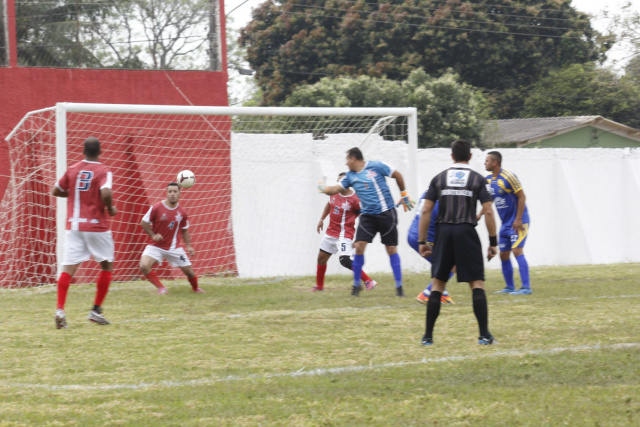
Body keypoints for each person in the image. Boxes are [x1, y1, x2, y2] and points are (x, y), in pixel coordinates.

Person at [418, 139, 498, 345]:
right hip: (466, 232)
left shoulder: (439, 178)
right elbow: (488, 210)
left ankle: (428, 337)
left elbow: (425, 210)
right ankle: (483, 335)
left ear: (452, 156)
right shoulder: (478, 179)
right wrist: (493, 242)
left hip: (444, 232)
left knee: (437, 283)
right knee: (476, 283)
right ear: (470, 156)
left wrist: (422, 241)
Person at [318, 147, 414, 297]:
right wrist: (323, 188)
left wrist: (404, 195)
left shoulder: (376, 166)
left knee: (391, 249)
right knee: (360, 247)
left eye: (347, 159)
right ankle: (357, 286)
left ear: (353, 158)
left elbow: (397, 175)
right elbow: (334, 189)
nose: (346, 163)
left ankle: (399, 287)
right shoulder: (349, 177)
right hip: (368, 216)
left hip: (386, 213)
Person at [52, 137, 117, 329]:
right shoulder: (104, 171)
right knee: (106, 265)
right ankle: (96, 310)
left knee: (68, 269)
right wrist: (111, 208)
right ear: (100, 151)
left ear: (83, 151)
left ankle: (60, 310)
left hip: (74, 225)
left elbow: (56, 190)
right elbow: (105, 193)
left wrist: (72, 195)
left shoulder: (72, 169)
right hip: (96, 226)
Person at [479, 151, 532, 295]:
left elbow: (522, 197)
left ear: (495, 162)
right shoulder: (488, 179)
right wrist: (478, 215)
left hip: (519, 221)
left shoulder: (509, 176)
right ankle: (509, 287)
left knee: (517, 251)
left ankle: (526, 288)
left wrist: (518, 219)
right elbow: (488, 202)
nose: (485, 163)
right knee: (503, 255)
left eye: (487, 161)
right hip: (505, 224)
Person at [313, 173, 377, 292]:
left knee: (345, 260)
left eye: (341, 182)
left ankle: (369, 281)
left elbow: (363, 219)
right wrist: (321, 219)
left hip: (344, 234)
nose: (339, 184)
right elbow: (329, 203)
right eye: (337, 181)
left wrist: (359, 237)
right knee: (321, 258)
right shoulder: (334, 192)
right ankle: (319, 287)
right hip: (331, 232)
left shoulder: (355, 199)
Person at [139, 182, 204, 294]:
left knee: (189, 272)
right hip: (156, 246)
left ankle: (196, 288)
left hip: (173, 247)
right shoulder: (156, 207)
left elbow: (184, 230)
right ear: (166, 193)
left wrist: (188, 246)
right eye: (170, 191)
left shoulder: (182, 212)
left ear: (179, 193)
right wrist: (153, 235)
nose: (172, 194)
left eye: (175, 191)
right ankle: (161, 288)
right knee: (144, 265)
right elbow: (144, 223)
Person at [407, 193, 454, 304]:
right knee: (452, 263)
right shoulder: (444, 199)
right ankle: (427, 293)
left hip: (412, 234)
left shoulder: (427, 192)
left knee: (441, 264)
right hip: (425, 239)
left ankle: (443, 293)